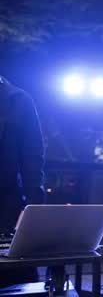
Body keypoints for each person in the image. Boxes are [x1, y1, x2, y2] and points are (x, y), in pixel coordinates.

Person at [0, 75, 45, 288]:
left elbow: (33, 157)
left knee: (16, 279)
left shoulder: (18, 100)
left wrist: (32, 210)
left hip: (7, 205)